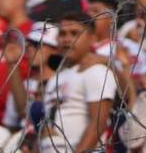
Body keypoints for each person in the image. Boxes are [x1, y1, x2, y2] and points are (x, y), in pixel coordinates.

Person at [40, 12, 119, 152]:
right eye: (62, 34)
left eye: (74, 33)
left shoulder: (96, 71)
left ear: (92, 39)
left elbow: (98, 124)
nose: (67, 39)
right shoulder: (55, 78)